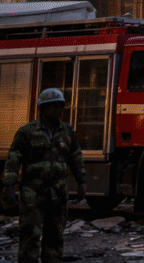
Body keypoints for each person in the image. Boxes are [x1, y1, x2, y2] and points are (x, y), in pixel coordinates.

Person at [2, 88, 86, 263]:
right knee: (30, 235)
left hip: (58, 195)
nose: (58, 109)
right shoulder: (27, 132)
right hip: (33, 195)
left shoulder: (68, 132)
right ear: (44, 108)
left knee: (55, 237)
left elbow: (75, 157)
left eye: (60, 106)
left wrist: (81, 181)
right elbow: (14, 158)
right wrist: (9, 186)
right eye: (54, 106)